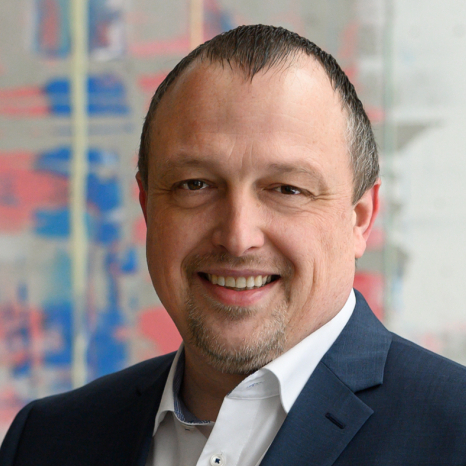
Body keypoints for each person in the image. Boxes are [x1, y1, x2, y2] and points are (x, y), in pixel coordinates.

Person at [1, 24, 466, 466]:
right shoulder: (45, 440)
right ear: (147, 206)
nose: (238, 237)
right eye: (195, 184)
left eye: (286, 189)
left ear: (359, 219)